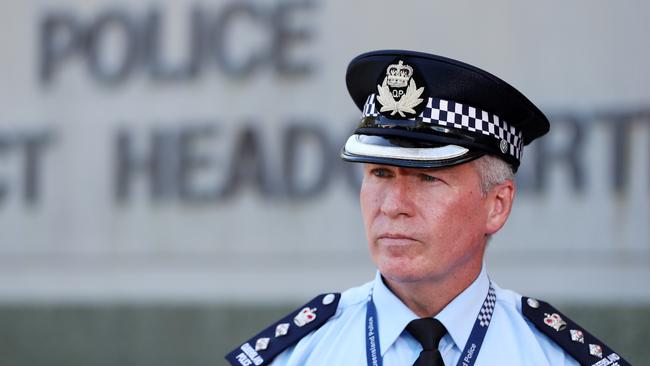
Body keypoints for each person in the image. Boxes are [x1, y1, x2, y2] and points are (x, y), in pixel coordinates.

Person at [226, 50, 630, 366]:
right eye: (381, 174)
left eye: (428, 179)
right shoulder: (294, 355)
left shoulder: (553, 357)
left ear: (498, 204)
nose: (394, 206)